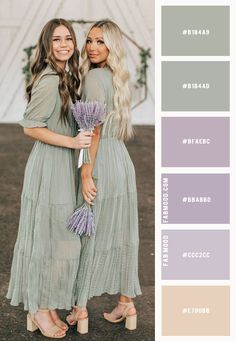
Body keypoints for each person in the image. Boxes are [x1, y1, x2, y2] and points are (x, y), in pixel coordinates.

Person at [6, 18, 92, 338]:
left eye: (68, 38)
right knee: (49, 238)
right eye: (56, 40)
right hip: (49, 165)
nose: (63, 45)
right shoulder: (48, 79)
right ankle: (40, 308)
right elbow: (30, 126)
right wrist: (72, 142)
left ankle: (48, 304)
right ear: (47, 45)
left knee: (59, 238)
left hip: (63, 164)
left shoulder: (67, 76)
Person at [66, 19, 142, 334]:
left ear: (112, 46)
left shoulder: (95, 77)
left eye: (101, 42)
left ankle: (80, 309)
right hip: (121, 161)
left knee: (89, 235)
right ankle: (127, 303)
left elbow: (92, 130)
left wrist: (86, 171)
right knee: (123, 235)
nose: (93, 47)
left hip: (100, 161)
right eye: (90, 41)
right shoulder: (116, 77)